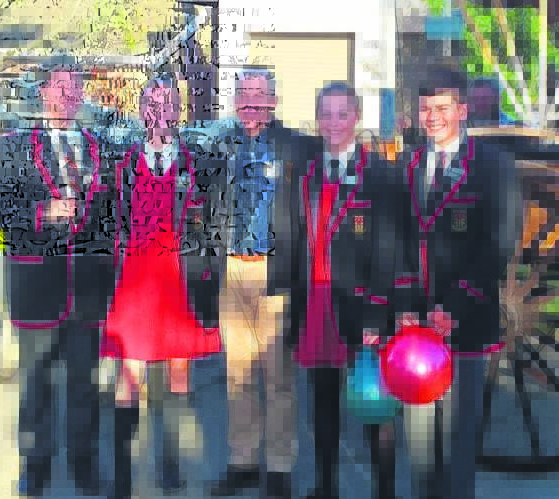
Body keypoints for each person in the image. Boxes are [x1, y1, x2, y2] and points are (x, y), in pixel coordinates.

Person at [0, 63, 113, 497]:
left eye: (76, 86)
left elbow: (111, 215)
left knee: (83, 385)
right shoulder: (13, 147)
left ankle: (82, 461)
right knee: (35, 385)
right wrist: (42, 212)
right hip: (37, 288)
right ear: (43, 93)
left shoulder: (99, 147)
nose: (69, 94)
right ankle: (34, 465)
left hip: (87, 291)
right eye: (60, 86)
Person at [394, 65, 522, 499]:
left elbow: (499, 244)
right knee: (419, 446)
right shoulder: (408, 165)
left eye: (442, 108)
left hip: (465, 321)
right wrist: (405, 302)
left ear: (462, 110)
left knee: (457, 442)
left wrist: (454, 306)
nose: (432, 117)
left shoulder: (493, 166)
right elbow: (398, 239)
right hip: (416, 328)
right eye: (426, 108)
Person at [100, 74, 222, 499]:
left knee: (177, 376)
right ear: (141, 111)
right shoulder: (122, 164)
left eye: (168, 102)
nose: (160, 111)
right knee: (128, 378)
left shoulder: (196, 162)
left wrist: (209, 275)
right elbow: (107, 218)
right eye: (152, 103)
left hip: (178, 278)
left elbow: (211, 222)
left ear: (179, 110)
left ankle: (172, 467)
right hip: (134, 278)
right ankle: (123, 474)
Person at [289, 81, 403, 499]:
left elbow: (389, 248)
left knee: (375, 406)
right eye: (326, 114)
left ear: (356, 117)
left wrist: (377, 313)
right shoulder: (307, 173)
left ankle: (385, 492)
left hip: (362, 306)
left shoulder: (381, 174)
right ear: (317, 119)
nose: (334, 122)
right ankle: (327, 486)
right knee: (322, 404)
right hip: (317, 304)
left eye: (342, 113)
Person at [206, 69, 316, 499]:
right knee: (238, 376)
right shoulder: (221, 145)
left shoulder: (298, 148)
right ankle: (243, 461)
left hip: (275, 273)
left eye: (259, 94)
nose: (250, 101)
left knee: (278, 378)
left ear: (273, 100)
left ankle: (280, 466)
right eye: (244, 94)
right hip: (232, 271)